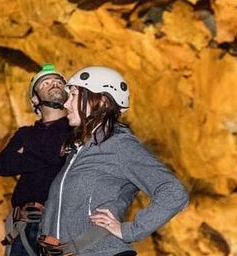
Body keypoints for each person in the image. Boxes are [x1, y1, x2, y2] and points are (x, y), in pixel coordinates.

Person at [39, 66, 189, 255]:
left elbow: (173, 192)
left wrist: (129, 230)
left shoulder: (119, 145)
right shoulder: (78, 150)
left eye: (74, 95)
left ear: (101, 101)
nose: (66, 104)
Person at [0, 63, 72, 256]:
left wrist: (26, 154)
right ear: (35, 99)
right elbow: (3, 166)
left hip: (59, 225)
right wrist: (56, 153)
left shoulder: (78, 131)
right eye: (46, 83)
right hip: (22, 224)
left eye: (58, 82)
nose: (54, 84)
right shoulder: (25, 133)